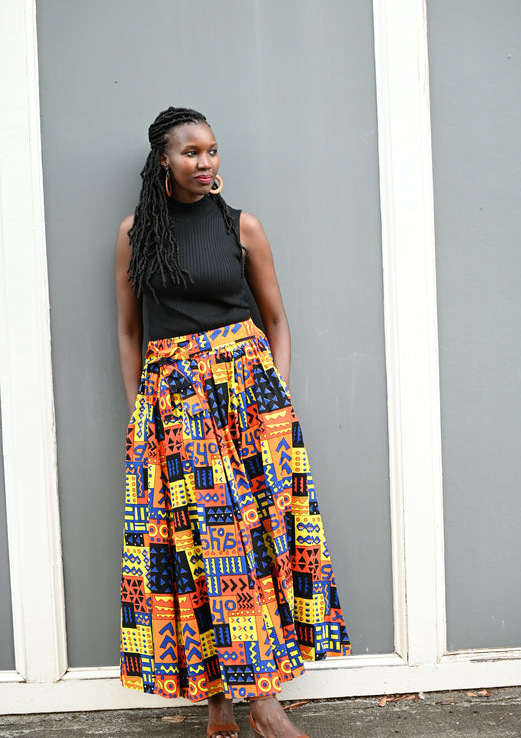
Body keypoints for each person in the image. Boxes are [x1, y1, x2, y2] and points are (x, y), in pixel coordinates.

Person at [115, 107, 351, 738]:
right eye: (191, 152)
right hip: (175, 407)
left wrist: (277, 403)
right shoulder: (137, 233)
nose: (205, 162)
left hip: (249, 401)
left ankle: (257, 701)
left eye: (212, 150)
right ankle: (226, 702)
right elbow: (129, 330)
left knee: (256, 545)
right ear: (163, 159)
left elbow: (277, 320)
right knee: (196, 551)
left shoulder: (241, 226)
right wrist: (143, 418)